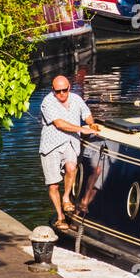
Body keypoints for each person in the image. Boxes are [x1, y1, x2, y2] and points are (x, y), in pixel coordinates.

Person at [39, 76, 97, 232]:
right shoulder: (47, 102)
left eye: (64, 90)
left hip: (70, 142)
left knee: (72, 167)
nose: (62, 94)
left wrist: (91, 123)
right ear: (53, 90)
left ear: (69, 87)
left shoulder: (76, 99)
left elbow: (87, 114)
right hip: (51, 145)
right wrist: (82, 129)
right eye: (58, 91)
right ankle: (60, 217)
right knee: (53, 184)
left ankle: (66, 198)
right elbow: (59, 124)